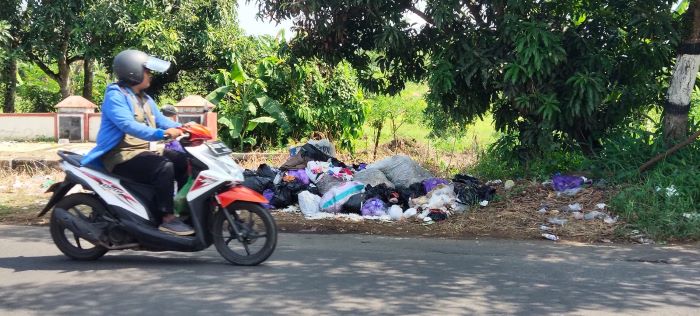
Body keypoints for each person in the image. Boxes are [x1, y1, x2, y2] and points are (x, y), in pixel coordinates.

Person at [80, 49, 193, 236]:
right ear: (134, 72)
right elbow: (128, 125)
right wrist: (162, 134)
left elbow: (162, 121)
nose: (150, 75)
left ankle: (183, 211)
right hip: (121, 156)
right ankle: (167, 219)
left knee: (184, 162)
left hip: (144, 152)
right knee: (164, 167)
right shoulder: (115, 96)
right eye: (147, 71)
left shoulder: (145, 98)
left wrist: (184, 127)